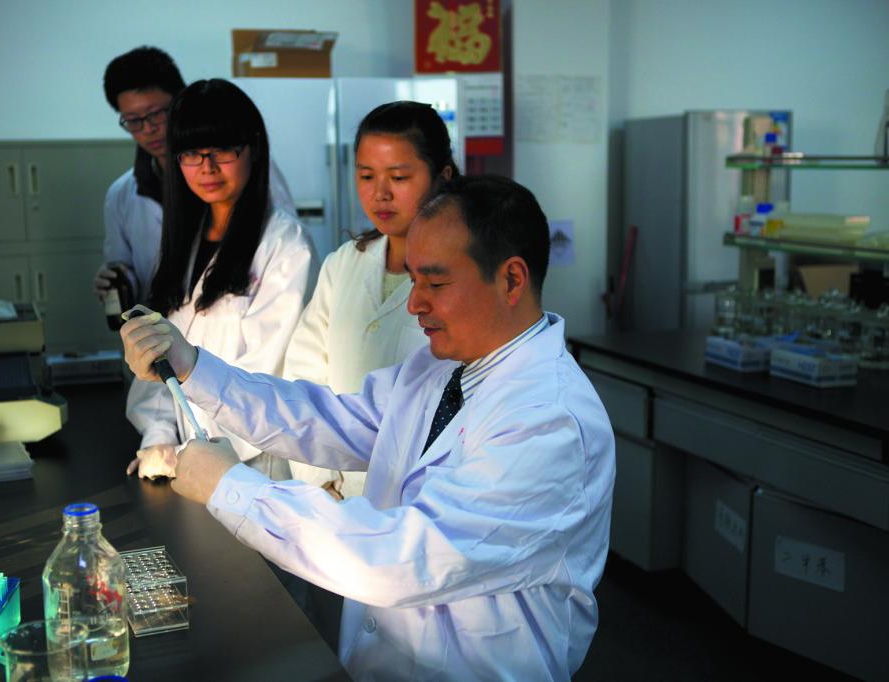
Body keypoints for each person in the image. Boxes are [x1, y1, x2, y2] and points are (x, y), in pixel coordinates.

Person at [121, 174, 616, 680]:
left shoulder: (550, 422)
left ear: (511, 279)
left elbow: (403, 558)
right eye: (413, 280)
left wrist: (232, 488)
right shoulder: (442, 368)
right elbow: (327, 419)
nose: (415, 304)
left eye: (435, 283)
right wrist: (193, 367)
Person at [124, 78, 315, 482]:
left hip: (253, 465)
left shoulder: (285, 244)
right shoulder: (181, 243)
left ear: (253, 149)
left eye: (223, 150)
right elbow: (160, 356)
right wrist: (159, 436)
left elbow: (266, 376)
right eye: (192, 153)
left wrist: (186, 453)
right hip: (188, 464)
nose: (207, 167)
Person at [283, 101, 458, 500]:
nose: (380, 193)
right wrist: (319, 481)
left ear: (442, 176)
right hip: (338, 494)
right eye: (366, 176)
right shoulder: (344, 264)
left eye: (399, 177)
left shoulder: (462, 275)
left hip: (422, 502)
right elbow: (305, 374)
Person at [94, 46, 295, 304]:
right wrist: (116, 280)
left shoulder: (241, 168)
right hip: (160, 320)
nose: (148, 129)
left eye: (157, 114)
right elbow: (124, 266)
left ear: (180, 103)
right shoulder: (120, 194)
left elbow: (281, 237)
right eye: (133, 120)